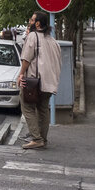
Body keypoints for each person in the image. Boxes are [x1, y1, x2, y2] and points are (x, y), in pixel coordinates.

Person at [16, 11, 62, 149]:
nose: (29, 21)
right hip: (49, 82)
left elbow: (26, 58)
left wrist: (21, 74)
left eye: (31, 20)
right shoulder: (52, 40)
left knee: (27, 106)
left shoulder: (33, 36)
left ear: (37, 23)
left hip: (35, 82)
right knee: (43, 110)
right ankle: (43, 139)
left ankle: (36, 138)